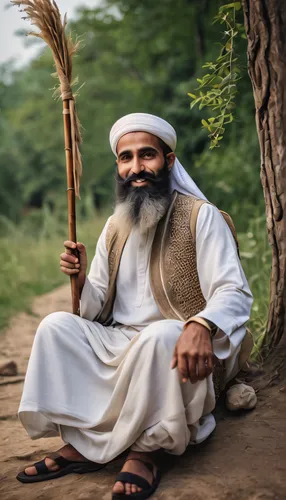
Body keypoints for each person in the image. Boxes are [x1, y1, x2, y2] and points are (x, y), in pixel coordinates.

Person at [16, 113, 253, 499]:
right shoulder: (115, 225)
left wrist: (201, 325)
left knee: (159, 336)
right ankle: (86, 444)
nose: (136, 167)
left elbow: (234, 291)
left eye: (147, 155)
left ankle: (149, 449)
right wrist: (79, 282)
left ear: (169, 160)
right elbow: (93, 307)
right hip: (122, 343)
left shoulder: (201, 217)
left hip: (176, 350)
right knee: (56, 326)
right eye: (126, 158)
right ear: (118, 166)